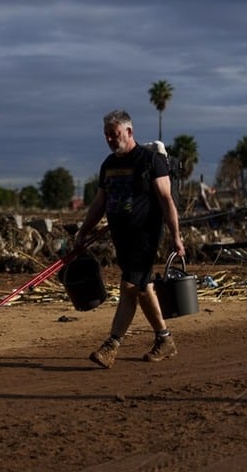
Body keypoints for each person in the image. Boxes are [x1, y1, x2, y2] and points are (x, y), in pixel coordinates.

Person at [73, 109, 185, 368]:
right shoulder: (108, 165)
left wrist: (176, 237)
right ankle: (164, 339)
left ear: (129, 132)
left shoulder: (149, 160)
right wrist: (83, 232)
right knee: (143, 289)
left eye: (114, 134)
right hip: (121, 237)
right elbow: (99, 203)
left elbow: (166, 200)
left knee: (129, 286)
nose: (111, 140)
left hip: (145, 236)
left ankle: (111, 344)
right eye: (107, 136)